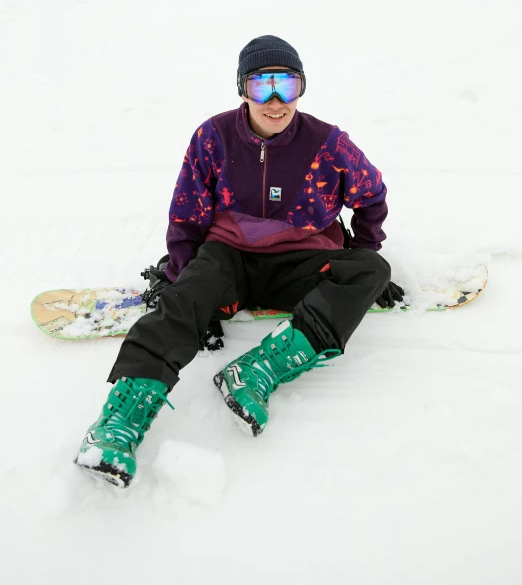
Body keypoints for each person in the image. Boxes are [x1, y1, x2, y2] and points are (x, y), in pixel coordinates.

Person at [75, 35, 403, 487]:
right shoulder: (214, 137)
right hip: (229, 258)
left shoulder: (328, 144)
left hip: (302, 260)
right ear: (242, 89)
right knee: (185, 298)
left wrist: (364, 251)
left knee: (371, 271)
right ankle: (121, 420)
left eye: (285, 86)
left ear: (301, 88)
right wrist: (181, 277)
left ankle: (257, 370)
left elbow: (372, 195)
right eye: (261, 86)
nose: (273, 101)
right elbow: (187, 213)